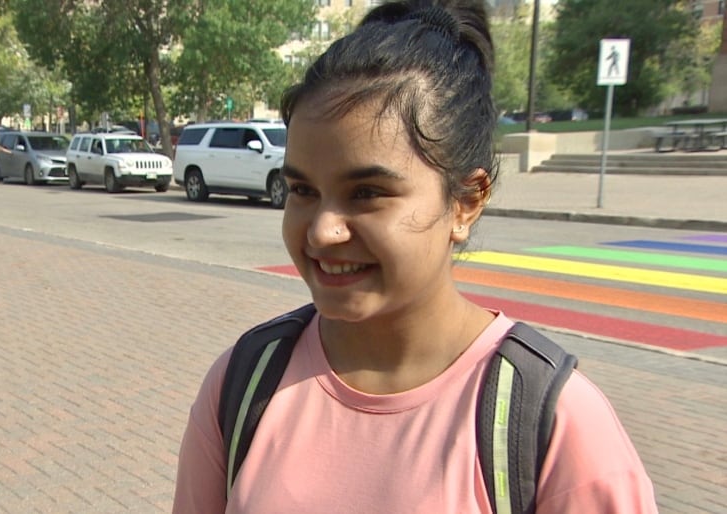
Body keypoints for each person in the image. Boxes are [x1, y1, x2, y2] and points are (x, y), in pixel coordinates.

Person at [172, 1, 658, 512]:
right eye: (302, 189)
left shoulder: (550, 422)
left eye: (367, 193)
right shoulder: (246, 381)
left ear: (466, 203)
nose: (322, 230)